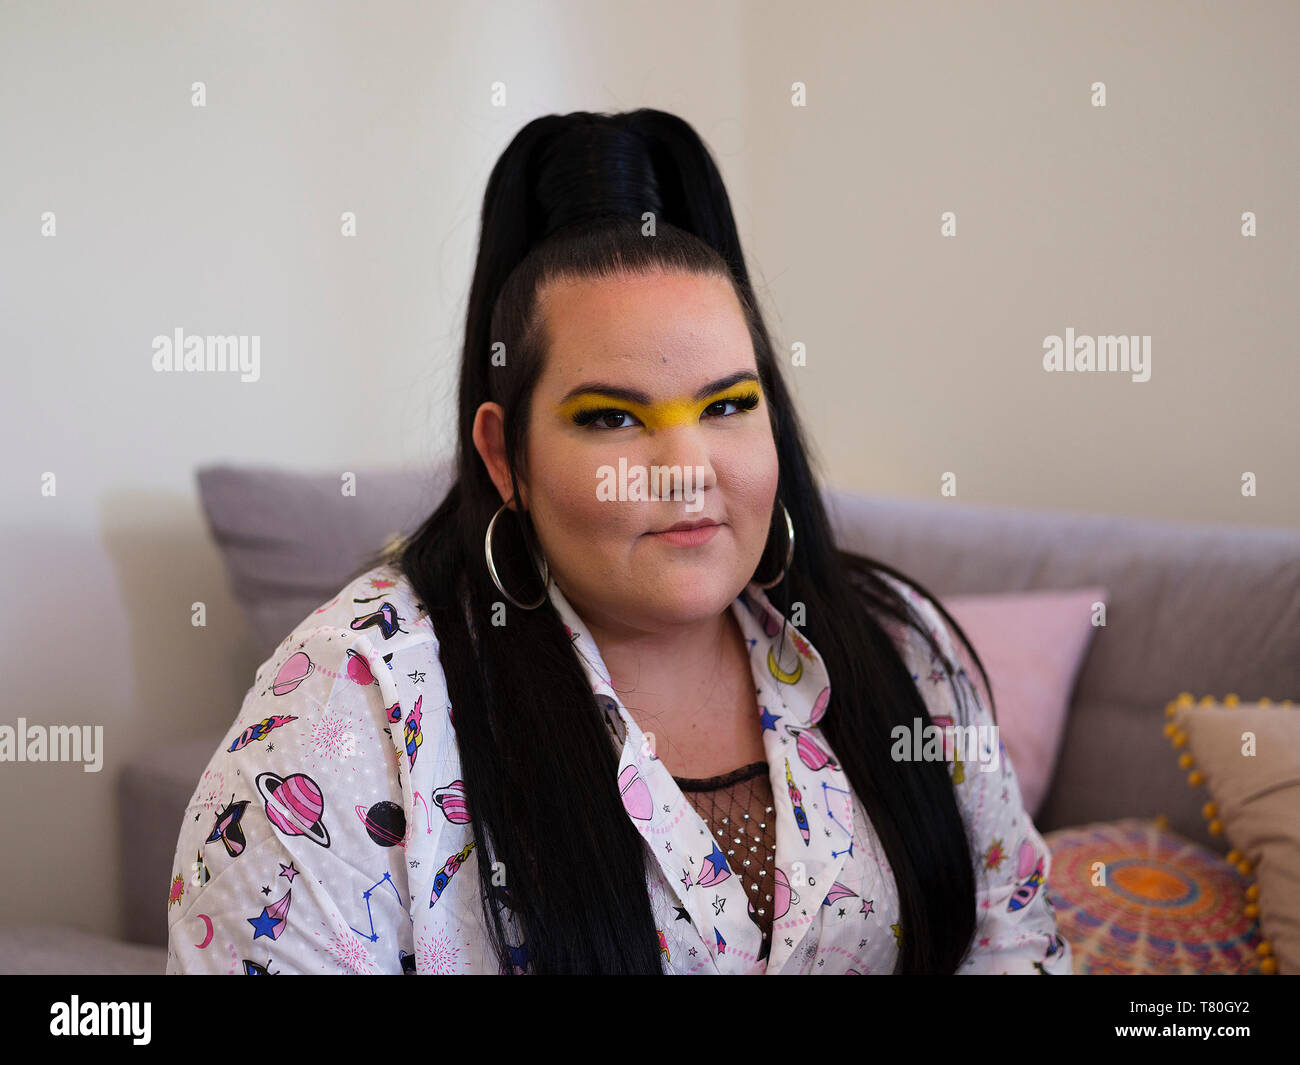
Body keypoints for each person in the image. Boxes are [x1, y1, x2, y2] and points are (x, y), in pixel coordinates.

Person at [165, 109, 1072, 975]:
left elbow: (1011, 940)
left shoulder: (902, 644)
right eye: (610, 418)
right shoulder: (348, 704)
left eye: (727, 405)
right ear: (504, 454)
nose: (687, 469)